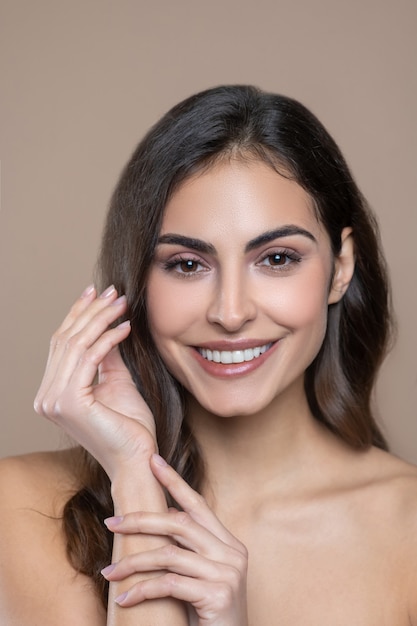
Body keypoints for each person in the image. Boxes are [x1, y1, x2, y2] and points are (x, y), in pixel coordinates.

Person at [0, 84, 416, 626]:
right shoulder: (19, 508)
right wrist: (134, 480)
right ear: (139, 283)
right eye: (188, 264)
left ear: (340, 267)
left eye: (277, 258)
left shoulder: (407, 531)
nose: (231, 312)